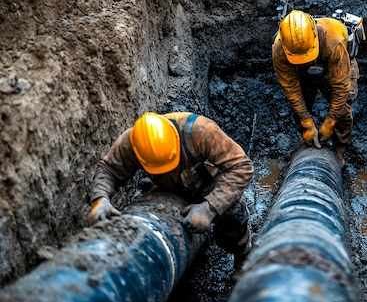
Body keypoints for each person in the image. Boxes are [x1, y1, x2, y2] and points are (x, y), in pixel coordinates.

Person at [87, 112, 254, 279]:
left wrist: (210, 208)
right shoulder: (132, 142)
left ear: (175, 140)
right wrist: (100, 199)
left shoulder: (201, 132)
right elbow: (108, 170)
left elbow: (241, 167)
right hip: (168, 187)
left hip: (210, 184)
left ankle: (244, 256)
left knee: (233, 216)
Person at [272, 9, 359, 165]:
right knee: (299, 104)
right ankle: (308, 138)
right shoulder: (279, 48)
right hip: (302, 70)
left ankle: (340, 150)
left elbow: (341, 88)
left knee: (343, 109)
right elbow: (291, 88)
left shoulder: (334, 42)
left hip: (336, 64)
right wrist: (306, 122)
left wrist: (330, 122)